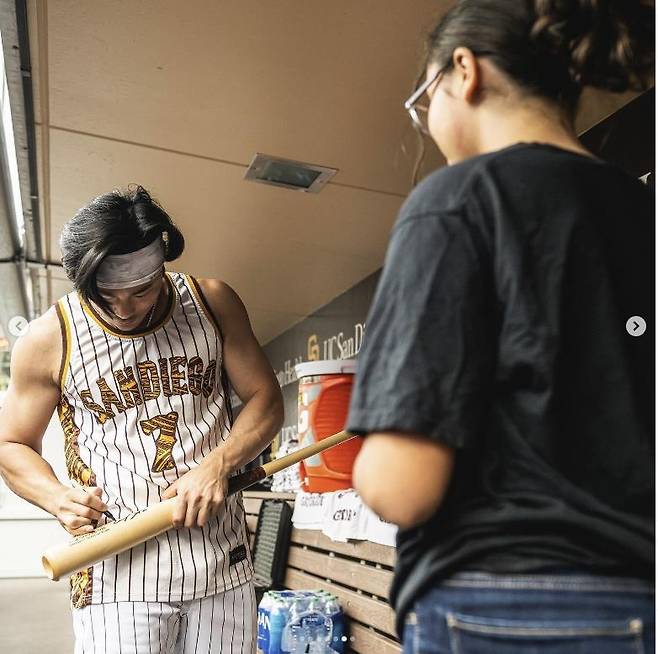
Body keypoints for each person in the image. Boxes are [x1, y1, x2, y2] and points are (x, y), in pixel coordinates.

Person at [346, 0, 654, 652]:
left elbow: (404, 487)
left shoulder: (456, 203)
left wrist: (365, 460)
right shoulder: (644, 214)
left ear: (464, 72)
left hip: (499, 603)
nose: (427, 124)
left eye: (423, 101)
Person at [0, 186, 283, 653]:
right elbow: (11, 445)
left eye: (142, 290)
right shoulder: (49, 337)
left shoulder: (212, 302)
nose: (125, 309)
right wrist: (57, 498)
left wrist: (217, 464)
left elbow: (266, 399)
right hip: (116, 573)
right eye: (105, 294)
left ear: (163, 264)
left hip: (221, 562)